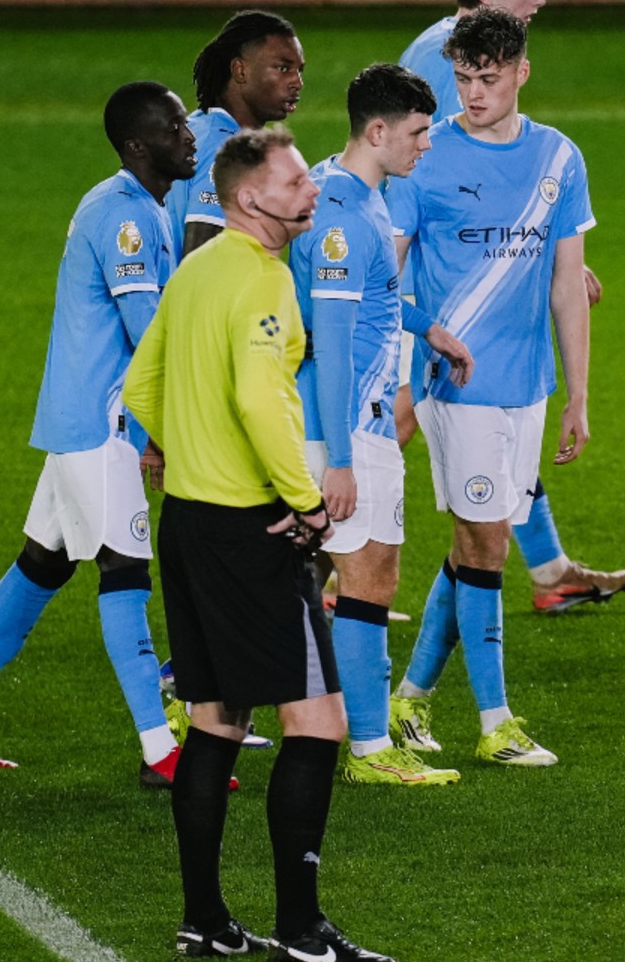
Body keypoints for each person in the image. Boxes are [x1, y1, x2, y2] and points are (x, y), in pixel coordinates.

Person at [125, 129, 394, 961]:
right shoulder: (267, 279)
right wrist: (307, 504)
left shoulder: (195, 270)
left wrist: (186, 450)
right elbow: (259, 399)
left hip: (191, 526)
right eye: (291, 182)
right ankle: (303, 928)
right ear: (250, 198)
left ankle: (203, 919)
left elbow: (141, 384)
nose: (309, 191)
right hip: (253, 529)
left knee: (215, 720)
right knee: (320, 724)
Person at [0, 82, 197, 786]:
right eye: (174, 127)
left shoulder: (137, 206)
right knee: (124, 574)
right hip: (102, 426)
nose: (188, 135)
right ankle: (160, 750)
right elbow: (147, 340)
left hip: (84, 420)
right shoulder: (125, 219)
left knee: (43, 564)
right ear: (138, 146)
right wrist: (170, 434)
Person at [398, 0, 625, 616]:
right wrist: (514, 251)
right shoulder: (441, 63)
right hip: (435, 285)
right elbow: (423, 178)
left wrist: (540, 247)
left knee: (494, 419)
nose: (539, 0)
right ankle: (321, 554)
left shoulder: (461, 52)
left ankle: (549, 566)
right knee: (408, 415)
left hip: (474, 275)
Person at [384, 9, 594, 768]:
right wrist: (421, 333)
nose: (473, 93)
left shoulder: (559, 159)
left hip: (529, 384)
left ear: (521, 73)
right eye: (465, 78)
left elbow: (569, 285)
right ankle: (495, 720)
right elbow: (387, 270)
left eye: (489, 78)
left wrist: (577, 395)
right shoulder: (427, 158)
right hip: (456, 383)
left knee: (485, 538)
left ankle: (408, 699)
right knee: (485, 543)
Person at [292, 63, 475, 787]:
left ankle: (355, 738)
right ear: (377, 131)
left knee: (358, 575)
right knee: (366, 574)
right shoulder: (340, 216)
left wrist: (427, 328)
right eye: (418, 132)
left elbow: (375, 296)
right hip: (342, 424)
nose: (427, 145)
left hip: (354, 419)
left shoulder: (357, 193)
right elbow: (331, 340)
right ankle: (368, 750)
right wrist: (338, 456)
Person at [167, 10, 307, 259]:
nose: (297, 82)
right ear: (240, 71)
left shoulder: (198, 126)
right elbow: (201, 258)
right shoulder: (224, 148)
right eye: (283, 68)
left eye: (299, 70)